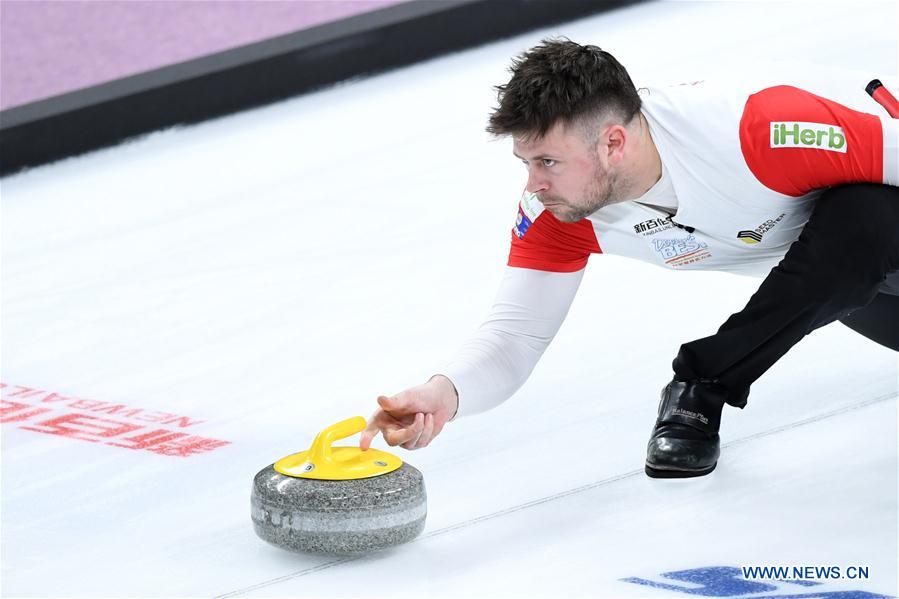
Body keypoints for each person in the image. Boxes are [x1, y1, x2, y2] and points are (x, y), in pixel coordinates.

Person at [359, 39, 899, 478]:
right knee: (845, 255)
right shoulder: (560, 210)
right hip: (854, 288)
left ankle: (702, 386)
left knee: (861, 218)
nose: (533, 184)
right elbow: (515, 338)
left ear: (613, 143)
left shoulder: (759, 129)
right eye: (525, 161)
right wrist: (445, 393)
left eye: (548, 161)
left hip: (873, 234)